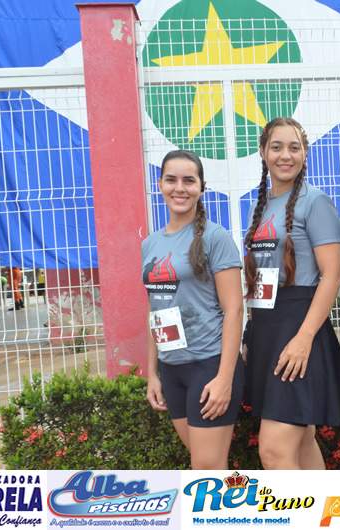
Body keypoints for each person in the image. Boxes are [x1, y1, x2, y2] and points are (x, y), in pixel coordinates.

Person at [242, 117, 340, 470]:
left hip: (299, 328)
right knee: (302, 442)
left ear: (304, 154)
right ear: (263, 152)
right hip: (266, 330)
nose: (285, 155)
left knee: (273, 451)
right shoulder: (260, 205)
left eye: (294, 147)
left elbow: (332, 275)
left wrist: (304, 338)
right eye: (276, 147)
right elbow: (259, 278)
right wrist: (250, 334)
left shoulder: (315, 202)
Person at [144, 150, 245, 469]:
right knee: (206, 466)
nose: (180, 188)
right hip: (172, 369)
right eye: (171, 180)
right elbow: (155, 310)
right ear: (160, 185)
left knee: (207, 468)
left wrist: (225, 378)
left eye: (189, 180)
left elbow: (234, 310)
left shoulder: (216, 238)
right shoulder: (150, 244)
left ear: (201, 187)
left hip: (209, 364)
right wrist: (152, 373)